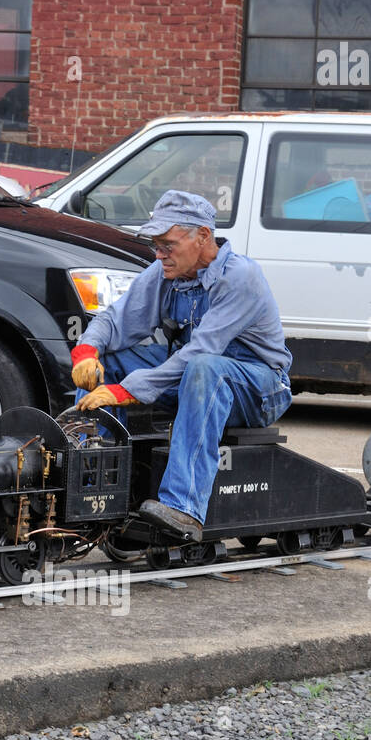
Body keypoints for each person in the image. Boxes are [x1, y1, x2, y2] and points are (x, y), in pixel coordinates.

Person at [72, 189, 293, 539]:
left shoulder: (239, 277)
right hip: (194, 375)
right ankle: (90, 484)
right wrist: (87, 351)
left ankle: (184, 507)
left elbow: (200, 352)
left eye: (168, 245)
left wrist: (126, 390)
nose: (160, 255)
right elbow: (115, 320)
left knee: (205, 367)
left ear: (202, 236)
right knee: (112, 360)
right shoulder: (165, 273)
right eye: (156, 246)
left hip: (259, 388)